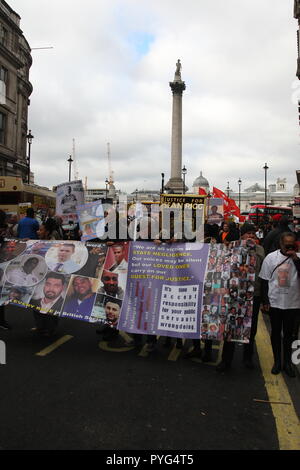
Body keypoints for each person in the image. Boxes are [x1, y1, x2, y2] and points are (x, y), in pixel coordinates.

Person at [216, 223, 265, 371]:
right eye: (247, 233)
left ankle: (248, 358)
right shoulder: (232, 248)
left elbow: (263, 273)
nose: (251, 236)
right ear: (241, 235)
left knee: (251, 328)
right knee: (231, 327)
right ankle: (226, 361)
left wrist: (264, 297)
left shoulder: (260, 250)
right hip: (235, 294)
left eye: (253, 233)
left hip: (253, 295)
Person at [259, 232, 300, 377]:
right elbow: (264, 280)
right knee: (276, 333)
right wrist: (265, 301)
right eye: (286, 243)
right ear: (280, 244)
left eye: (292, 244)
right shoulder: (271, 258)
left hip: (293, 303)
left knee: (289, 334)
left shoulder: (298, 257)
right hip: (275, 302)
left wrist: (295, 258)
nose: (288, 246)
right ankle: (277, 361)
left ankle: (287, 363)